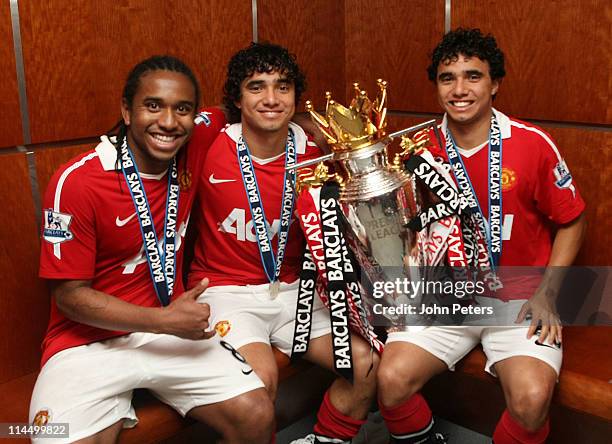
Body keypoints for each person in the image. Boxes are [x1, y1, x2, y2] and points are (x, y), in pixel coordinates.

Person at [31, 55, 274, 444]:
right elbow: (69, 298)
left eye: (182, 109)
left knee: (256, 413)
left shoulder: (196, 139)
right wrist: (164, 321)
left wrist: (312, 125)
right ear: (126, 111)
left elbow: (254, 108)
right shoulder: (76, 182)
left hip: (169, 334)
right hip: (86, 342)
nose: (168, 121)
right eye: (153, 105)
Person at [376, 28, 586, 443]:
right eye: (447, 77)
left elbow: (573, 221)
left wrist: (547, 293)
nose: (460, 89)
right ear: (436, 86)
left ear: (495, 84)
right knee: (390, 379)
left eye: (473, 76)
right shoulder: (416, 148)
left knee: (531, 399)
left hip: (518, 297)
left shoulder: (531, 144)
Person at [188, 42, 379, 444]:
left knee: (366, 364)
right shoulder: (211, 141)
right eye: (256, 87)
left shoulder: (313, 149)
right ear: (236, 98)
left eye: (283, 87)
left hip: (296, 290)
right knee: (261, 383)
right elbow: (165, 121)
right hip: (227, 291)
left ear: (296, 96)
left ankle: (326, 438)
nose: (272, 99)